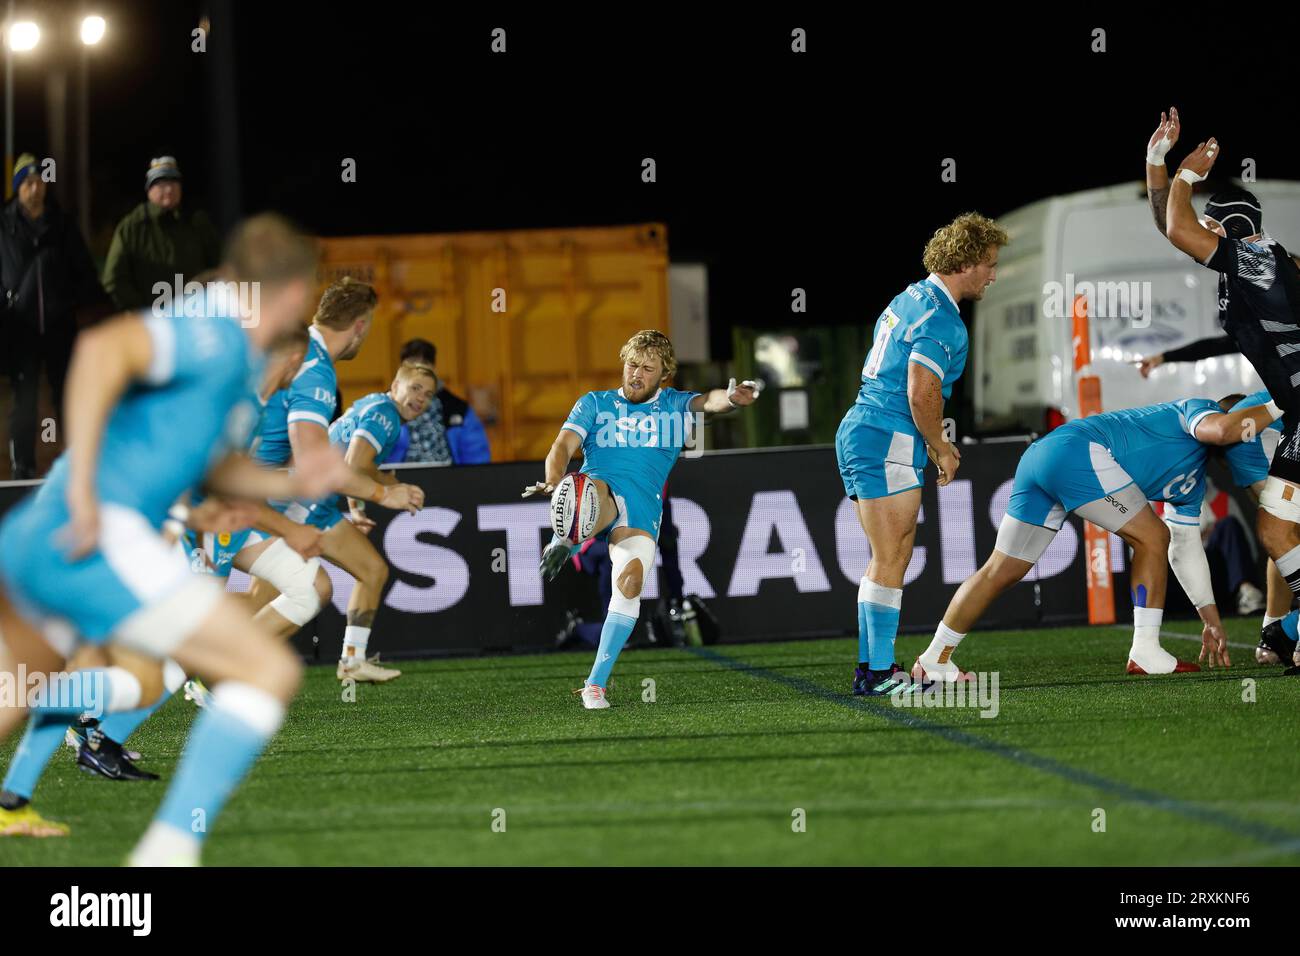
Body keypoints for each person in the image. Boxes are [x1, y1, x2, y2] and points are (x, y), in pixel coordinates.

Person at [0, 215, 353, 860]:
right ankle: (164, 859)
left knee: (21, 689)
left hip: (47, 536)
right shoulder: (215, 329)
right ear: (293, 294)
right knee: (263, 668)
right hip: (101, 531)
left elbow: (212, 465)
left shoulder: (237, 356)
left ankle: (17, 801)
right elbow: (104, 350)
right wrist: (83, 489)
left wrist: (288, 480)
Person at [915, 397, 1278, 680]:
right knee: (1152, 536)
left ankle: (934, 658)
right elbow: (1222, 430)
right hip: (1076, 450)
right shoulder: (1201, 409)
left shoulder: (1193, 482)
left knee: (1001, 569)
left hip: (1043, 456)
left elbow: (1184, 549)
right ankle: (1145, 650)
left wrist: (1210, 618)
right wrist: (1282, 400)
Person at [527, 330, 760, 709]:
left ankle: (595, 685)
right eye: (632, 364)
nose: (636, 373)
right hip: (598, 493)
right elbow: (562, 446)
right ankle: (566, 538)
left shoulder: (674, 405)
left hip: (642, 509)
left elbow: (711, 402)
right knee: (586, 488)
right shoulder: (595, 403)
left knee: (631, 584)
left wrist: (732, 397)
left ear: (663, 374)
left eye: (647, 368)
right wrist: (554, 480)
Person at [834, 212, 1008, 696]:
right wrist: (942, 446)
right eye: (989, 264)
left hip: (866, 427)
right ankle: (880, 675)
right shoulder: (943, 318)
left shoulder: (910, 296)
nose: (994, 275)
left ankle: (872, 672)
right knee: (892, 556)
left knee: (884, 558)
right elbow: (920, 391)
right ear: (967, 262)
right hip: (888, 432)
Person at [1145, 109, 1300, 646]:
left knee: (1279, 528)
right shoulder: (1252, 263)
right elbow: (1173, 225)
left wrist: (1186, 174)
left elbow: (1180, 226)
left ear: (1224, 227)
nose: (1199, 228)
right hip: (1297, 412)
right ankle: (1282, 629)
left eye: (1210, 222)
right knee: (1278, 530)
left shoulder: (1255, 259)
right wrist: (1155, 163)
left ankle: (1284, 628)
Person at [248, 278, 425, 682]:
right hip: (247, 495)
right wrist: (385, 492)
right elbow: (325, 460)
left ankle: (349, 660)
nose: (421, 399)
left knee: (335, 581)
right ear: (360, 325)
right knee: (287, 592)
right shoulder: (317, 371)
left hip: (247, 491)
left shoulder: (302, 354)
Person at [0, 153, 106, 479]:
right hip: (21, 327)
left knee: (67, 396)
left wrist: (92, 308)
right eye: (27, 183)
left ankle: (73, 461)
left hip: (60, 326)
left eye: (39, 181)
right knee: (25, 400)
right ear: (18, 188)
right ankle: (23, 466)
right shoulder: (4, 226)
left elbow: (84, 272)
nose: (35, 188)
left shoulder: (63, 224)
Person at [102, 156, 221, 312]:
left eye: (174, 182)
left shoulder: (197, 222)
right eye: (161, 183)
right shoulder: (132, 227)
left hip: (194, 317)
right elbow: (114, 281)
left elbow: (219, 268)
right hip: (149, 323)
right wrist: (142, 314)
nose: (169, 189)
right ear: (150, 189)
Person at [384, 338, 491, 465]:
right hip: (398, 481)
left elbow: (476, 455)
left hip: (448, 479)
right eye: (412, 366)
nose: (420, 398)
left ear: (434, 370)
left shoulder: (458, 409)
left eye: (425, 366)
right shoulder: (383, 408)